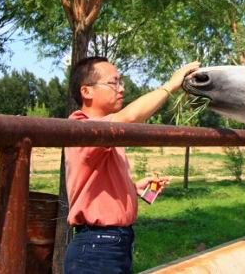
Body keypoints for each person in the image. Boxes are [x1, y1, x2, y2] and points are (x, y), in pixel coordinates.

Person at [63, 56, 200, 273]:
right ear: (86, 91)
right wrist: (170, 85)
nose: (121, 89)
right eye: (113, 83)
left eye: (121, 81)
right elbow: (130, 117)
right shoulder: (83, 128)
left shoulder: (109, 135)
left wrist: (132, 188)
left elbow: (94, 184)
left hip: (112, 243)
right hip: (97, 247)